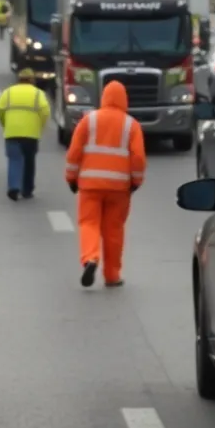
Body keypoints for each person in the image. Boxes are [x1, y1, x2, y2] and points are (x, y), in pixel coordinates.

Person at [65, 81, 146, 288]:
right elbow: (138, 157)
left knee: (89, 223)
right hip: (119, 188)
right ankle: (112, 275)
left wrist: (71, 178)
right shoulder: (131, 125)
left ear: (104, 98)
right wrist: (135, 182)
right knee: (114, 230)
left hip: (90, 185)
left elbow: (74, 152)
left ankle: (90, 258)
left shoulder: (88, 121)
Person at [0, 67, 50, 200]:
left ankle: (14, 187)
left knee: (14, 160)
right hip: (31, 134)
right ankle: (27, 190)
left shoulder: (8, 92)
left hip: (12, 132)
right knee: (29, 162)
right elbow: (45, 112)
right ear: (32, 80)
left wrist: (5, 124)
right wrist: (39, 126)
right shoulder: (38, 93)